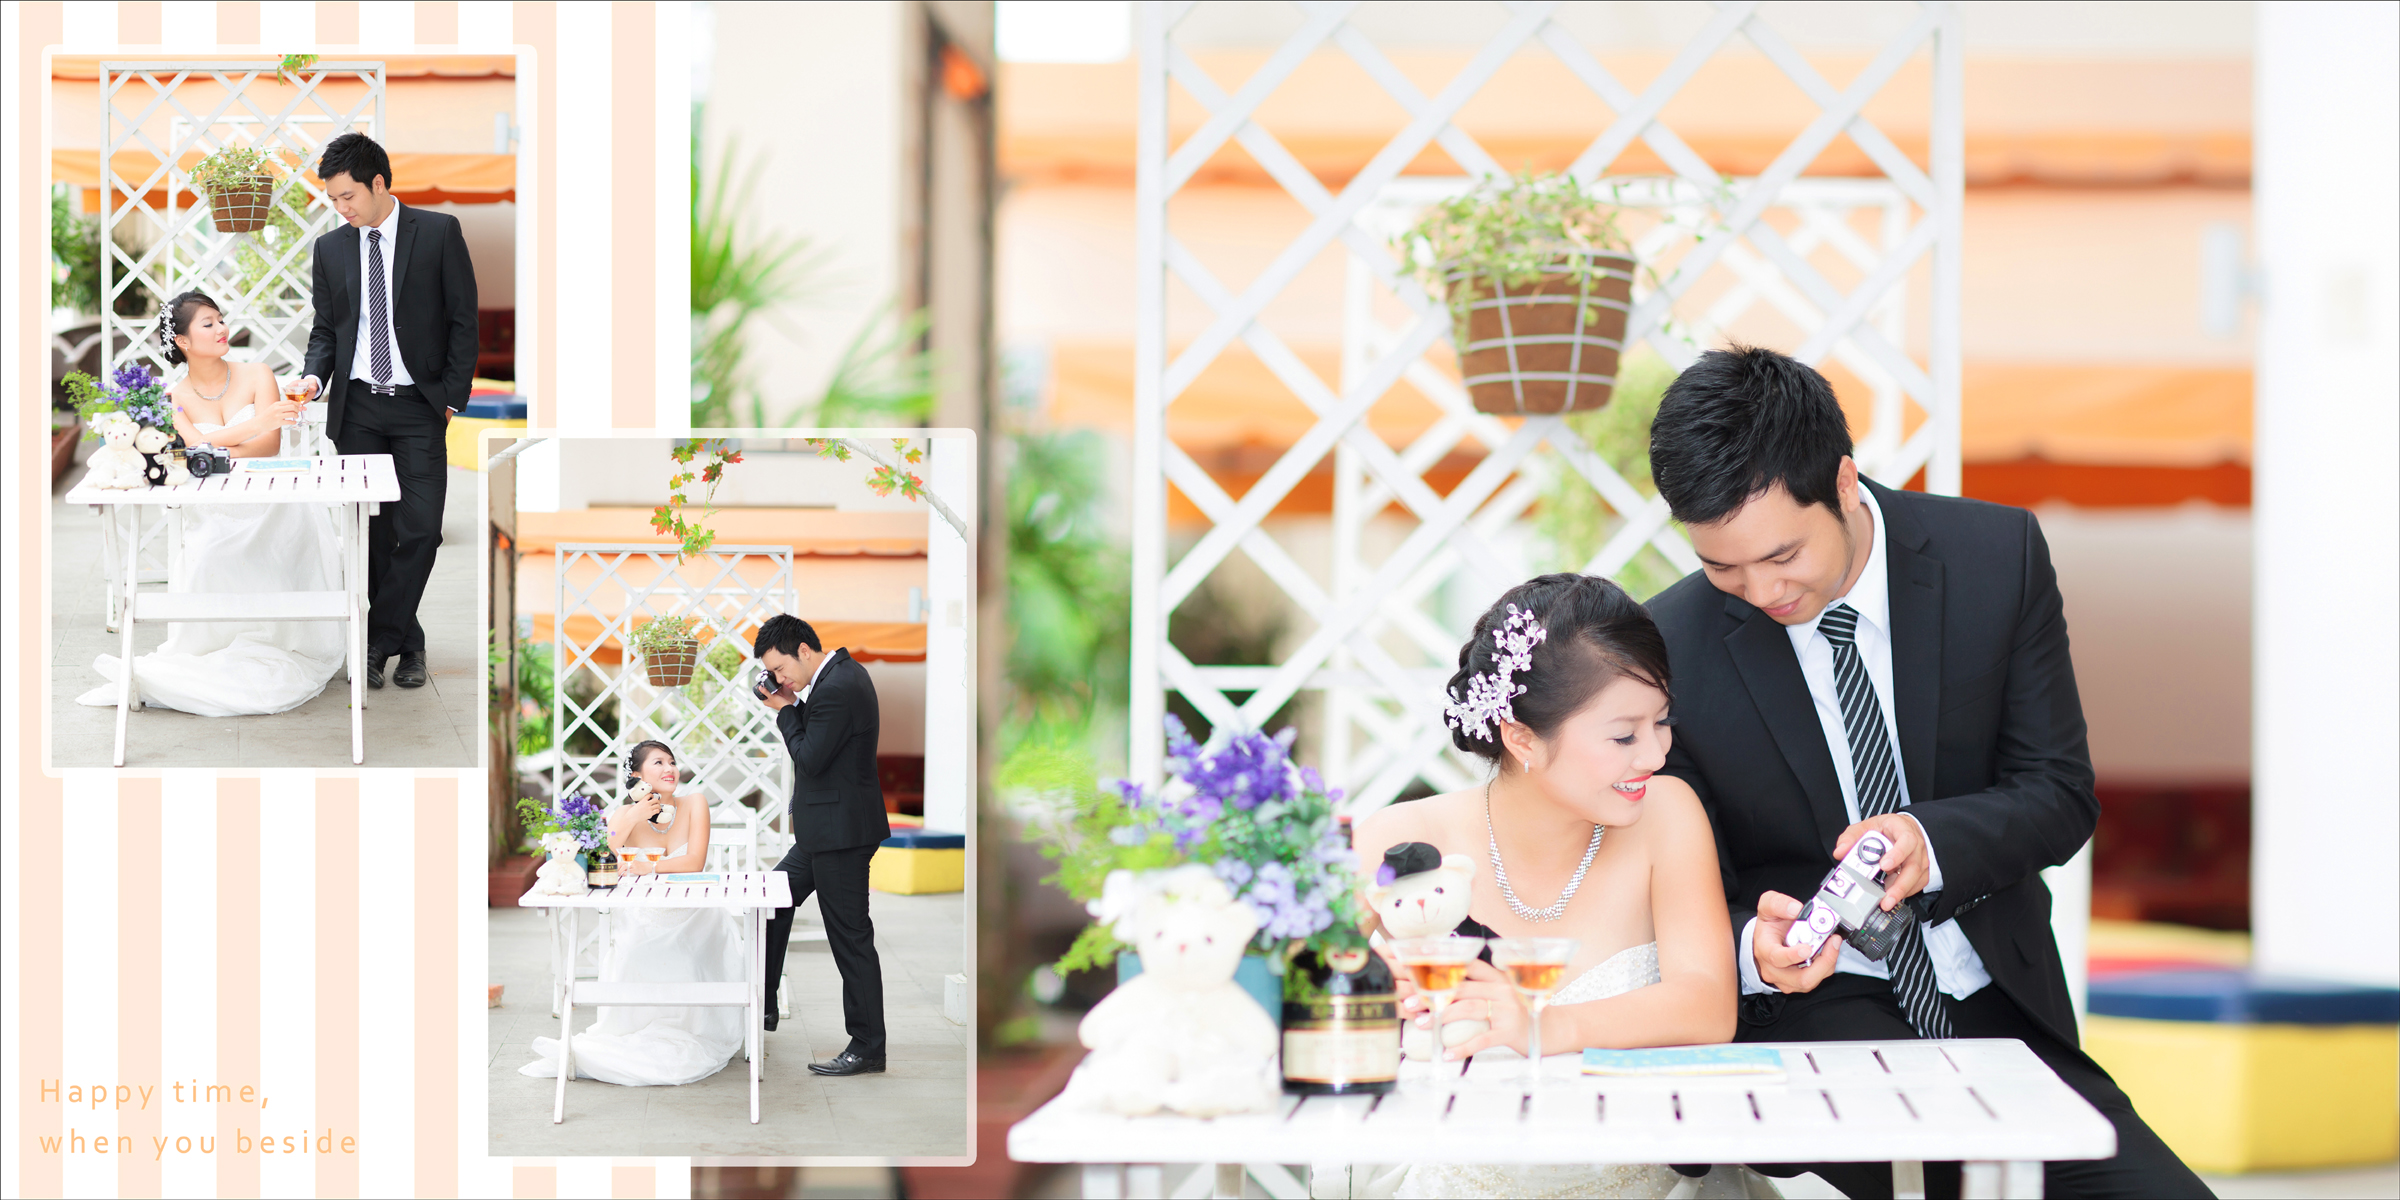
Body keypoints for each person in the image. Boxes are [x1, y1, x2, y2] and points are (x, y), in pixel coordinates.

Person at [1642, 345, 2212, 1199]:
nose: (1760, 591)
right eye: (1723, 567)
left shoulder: (1998, 558)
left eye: (1784, 555)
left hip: (2000, 1008)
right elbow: (1683, 888)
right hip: (1819, 1021)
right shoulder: (1673, 648)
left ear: (1843, 482)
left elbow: (2059, 792)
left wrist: (1929, 842)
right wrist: (1749, 946)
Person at [1353, 574, 1768, 1199]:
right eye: (1624, 735)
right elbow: (1288, 990)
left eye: (1662, 721)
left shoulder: (1667, 813)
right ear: (1521, 737)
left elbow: (1708, 1007)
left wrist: (1544, 1027)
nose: (1655, 754)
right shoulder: (1401, 839)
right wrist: (1369, 989)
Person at [75, 291, 345, 717]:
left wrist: (210, 447)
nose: (222, 329)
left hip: (271, 499)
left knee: (286, 531)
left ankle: (287, 636)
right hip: (213, 507)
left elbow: (268, 446)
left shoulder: (257, 374)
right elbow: (194, 449)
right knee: (207, 554)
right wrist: (252, 426)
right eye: (208, 323)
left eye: (221, 319)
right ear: (182, 340)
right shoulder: (172, 396)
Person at [291, 131, 477, 691]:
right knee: (372, 534)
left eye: (348, 196)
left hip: (420, 406)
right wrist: (313, 376)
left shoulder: (439, 232)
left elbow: (462, 320)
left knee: (421, 530)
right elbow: (327, 330)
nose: (341, 209)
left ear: (378, 183)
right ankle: (407, 646)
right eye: (333, 200)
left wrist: (450, 398)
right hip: (358, 409)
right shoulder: (330, 249)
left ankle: (376, 641)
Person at [522, 741, 746, 1086]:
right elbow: (601, 858)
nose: (670, 769)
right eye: (658, 763)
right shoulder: (625, 813)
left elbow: (694, 862)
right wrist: (632, 816)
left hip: (695, 913)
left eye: (672, 762)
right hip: (643, 913)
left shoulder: (694, 803)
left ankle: (698, 1026)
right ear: (637, 776)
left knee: (693, 946)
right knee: (634, 947)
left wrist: (648, 867)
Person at [753, 614, 890, 1077]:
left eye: (780, 668)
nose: (779, 679)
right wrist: (793, 702)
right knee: (769, 903)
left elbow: (810, 758)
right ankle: (762, 1007)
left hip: (841, 836)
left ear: (804, 651)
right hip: (824, 834)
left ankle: (868, 1046)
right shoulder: (835, 679)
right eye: (772, 674)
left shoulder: (838, 686)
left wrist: (785, 709)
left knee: (850, 939)